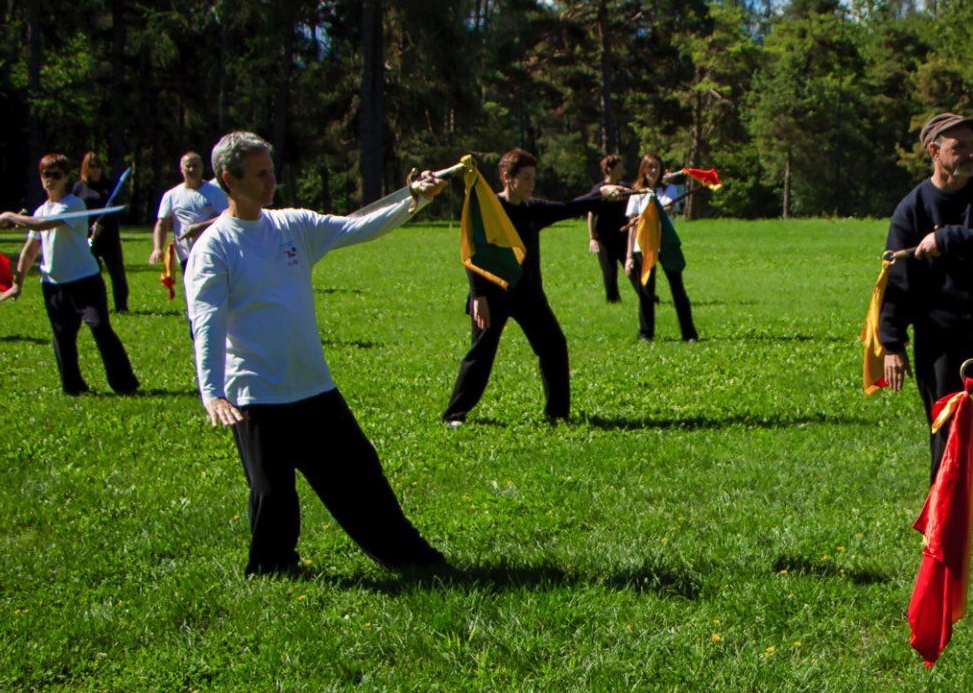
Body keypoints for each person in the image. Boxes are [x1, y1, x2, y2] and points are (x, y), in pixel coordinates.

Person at [186, 131, 452, 579]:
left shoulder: (293, 226)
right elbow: (206, 322)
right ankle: (273, 567)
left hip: (312, 386)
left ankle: (413, 559)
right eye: (260, 174)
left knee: (361, 478)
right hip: (255, 394)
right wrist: (213, 393)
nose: (271, 182)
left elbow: (358, 225)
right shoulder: (215, 247)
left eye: (272, 171)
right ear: (229, 179)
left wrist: (414, 201)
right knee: (273, 494)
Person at [878, 112, 973, 474]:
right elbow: (896, 279)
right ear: (935, 151)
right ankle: (953, 516)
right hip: (939, 337)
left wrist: (949, 238)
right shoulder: (912, 210)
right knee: (947, 429)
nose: (970, 154)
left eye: (972, 147)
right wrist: (892, 344)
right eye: (959, 148)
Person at [444, 150, 625, 425]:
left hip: (529, 295)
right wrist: (477, 295)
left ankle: (558, 414)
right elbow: (473, 252)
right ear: (507, 177)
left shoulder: (532, 209)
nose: (531, 184)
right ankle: (454, 414)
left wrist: (602, 196)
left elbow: (568, 207)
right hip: (492, 296)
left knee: (554, 346)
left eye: (533, 178)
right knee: (481, 354)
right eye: (526, 178)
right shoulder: (489, 209)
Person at [0, 154, 141, 396]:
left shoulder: (73, 205)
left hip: (85, 281)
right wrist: (18, 283)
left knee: (100, 328)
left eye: (56, 175)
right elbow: (30, 249)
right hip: (54, 285)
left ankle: (125, 384)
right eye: (46, 175)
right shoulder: (41, 209)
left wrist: (10, 216)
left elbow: (41, 225)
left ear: (66, 177)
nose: (50, 180)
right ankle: (74, 388)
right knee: (63, 339)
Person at [625, 153, 699, 343]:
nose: (653, 171)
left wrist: (659, 209)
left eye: (656, 167)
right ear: (643, 169)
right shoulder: (636, 192)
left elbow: (669, 209)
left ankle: (689, 334)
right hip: (643, 245)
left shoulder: (669, 190)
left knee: (678, 289)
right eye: (650, 167)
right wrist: (629, 257)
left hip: (665, 244)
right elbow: (632, 226)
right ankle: (646, 334)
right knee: (646, 291)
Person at [151, 152, 229, 284]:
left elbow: (226, 217)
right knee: (190, 289)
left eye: (196, 166)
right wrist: (157, 248)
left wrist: (199, 227)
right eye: (188, 166)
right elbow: (162, 223)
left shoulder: (215, 192)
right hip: (185, 253)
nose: (192, 169)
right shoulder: (171, 195)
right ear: (181, 169)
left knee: (212, 287)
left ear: (202, 168)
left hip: (212, 251)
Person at [74, 151, 129, 312]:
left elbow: (117, 209)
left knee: (117, 273)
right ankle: (89, 304)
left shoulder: (110, 186)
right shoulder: (79, 188)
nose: (95, 169)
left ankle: (121, 307)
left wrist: (102, 223)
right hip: (88, 236)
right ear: (86, 168)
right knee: (88, 273)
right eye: (91, 166)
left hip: (109, 236)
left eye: (98, 165)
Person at [587, 152, 630, 303]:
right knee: (609, 272)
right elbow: (591, 214)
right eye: (618, 169)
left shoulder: (625, 188)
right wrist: (592, 238)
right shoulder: (598, 190)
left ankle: (646, 296)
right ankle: (613, 300)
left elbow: (639, 192)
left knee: (633, 268)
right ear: (609, 170)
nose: (621, 172)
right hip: (604, 238)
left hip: (623, 236)